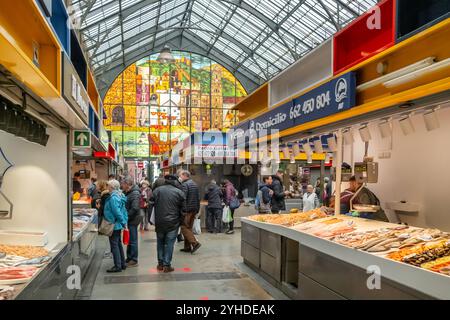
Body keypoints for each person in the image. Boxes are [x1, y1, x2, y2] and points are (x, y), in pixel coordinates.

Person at [152, 175, 186, 272]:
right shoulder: (179, 193)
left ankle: (160, 264)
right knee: (170, 243)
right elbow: (184, 209)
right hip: (173, 223)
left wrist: (154, 219)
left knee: (160, 242)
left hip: (159, 222)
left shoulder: (157, 191)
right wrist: (180, 220)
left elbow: (150, 203)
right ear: (175, 182)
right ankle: (167, 265)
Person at [103, 179, 128, 273]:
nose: (107, 188)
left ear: (112, 187)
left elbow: (117, 212)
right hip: (117, 224)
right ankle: (122, 264)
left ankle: (117, 266)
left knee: (114, 245)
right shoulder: (120, 195)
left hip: (114, 224)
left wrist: (123, 222)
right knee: (118, 244)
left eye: (108, 186)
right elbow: (123, 211)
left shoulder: (113, 198)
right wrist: (124, 222)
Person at [121, 177, 142, 267]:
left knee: (132, 240)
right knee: (130, 239)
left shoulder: (134, 193)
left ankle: (134, 259)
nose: (122, 186)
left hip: (133, 219)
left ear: (127, 184)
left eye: (123, 184)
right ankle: (129, 257)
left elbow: (135, 208)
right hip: (131, 218)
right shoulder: (129, 192)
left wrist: (126, 217)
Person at [179, 170, 201, 253]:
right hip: (194, 209)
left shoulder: (184, 185)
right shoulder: (194, 184)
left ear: (185, 175)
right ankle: (187, 247)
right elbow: (198, 198)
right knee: (189, 228)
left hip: (187, 210)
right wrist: (197, 209)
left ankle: (195, 243)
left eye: (180, 175)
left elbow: (183, 198)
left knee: (184, 227)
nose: (180, 177)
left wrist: (183, 210)